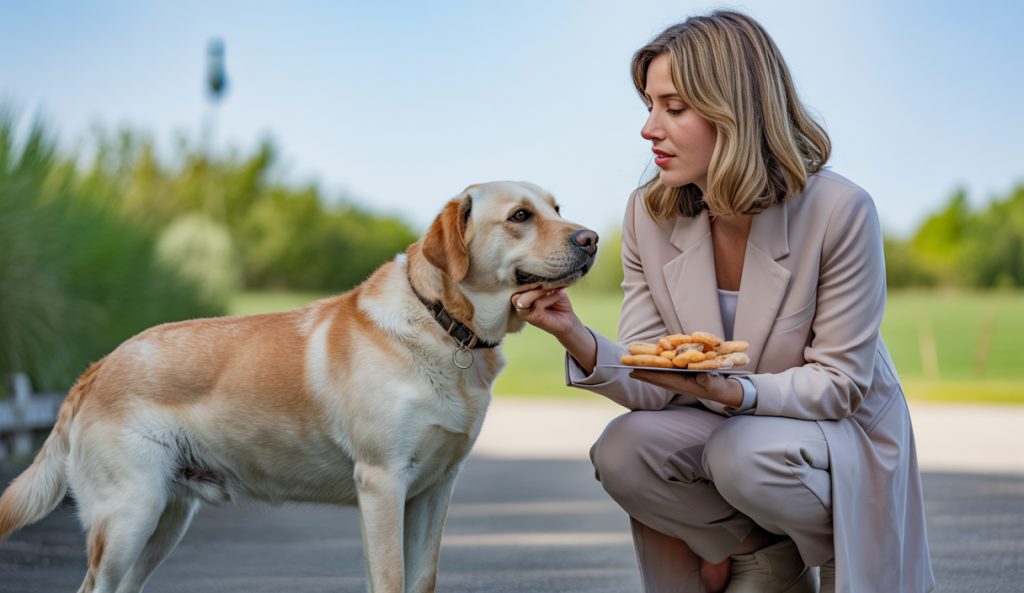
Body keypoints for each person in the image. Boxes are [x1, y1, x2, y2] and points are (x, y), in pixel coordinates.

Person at [511, 11, 934, 593]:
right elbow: (653, 376)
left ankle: (839, 549)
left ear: (734, 111)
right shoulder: (648, 213)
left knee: (743, 455)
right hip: (723, 427)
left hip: (833, 431)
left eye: (674, 108)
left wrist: (733, 391)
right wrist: (573, 334)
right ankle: (760, 552)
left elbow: (839, 384)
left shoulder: (840, 211)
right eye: (649, 105)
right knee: (622, 450)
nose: (648, 129)